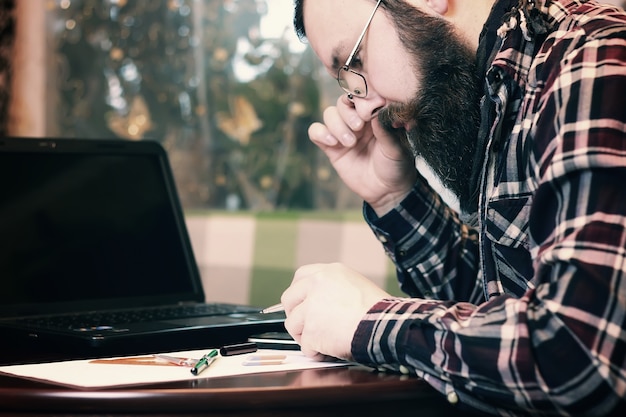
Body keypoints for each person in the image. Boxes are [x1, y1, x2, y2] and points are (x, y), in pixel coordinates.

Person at [280, 0, 626, 415]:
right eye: (349, 84)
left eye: (355, 61)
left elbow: (579, 356)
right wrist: (394, 196)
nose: (366, 105)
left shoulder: (593, 59)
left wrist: (367, 321)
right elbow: (493, 317)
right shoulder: (501, 89)